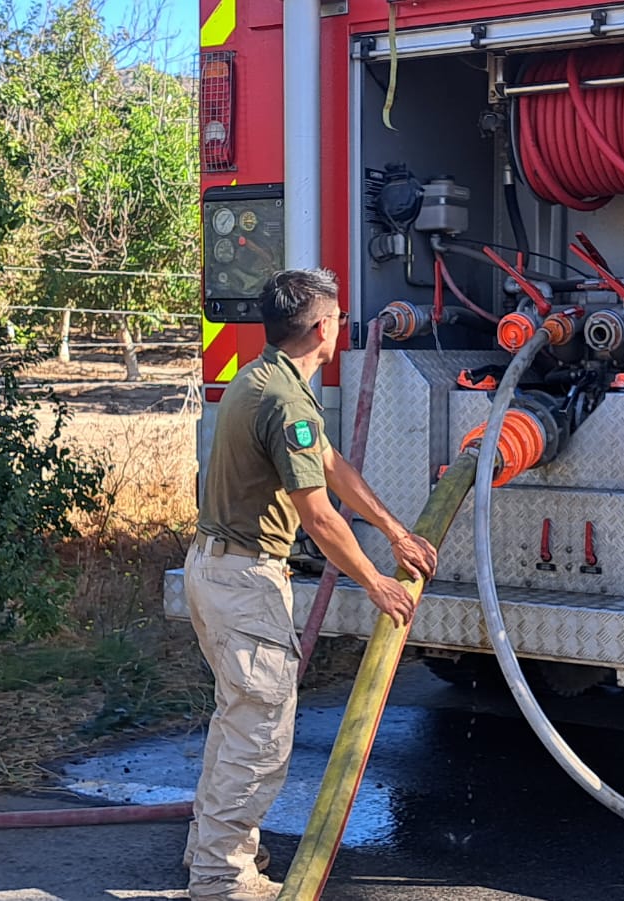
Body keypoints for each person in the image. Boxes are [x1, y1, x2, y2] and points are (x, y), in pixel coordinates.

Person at [182, 268, 438, 901]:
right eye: (340, 318)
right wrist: (377, 581)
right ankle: (220, 879)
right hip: (243, 579)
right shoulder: (285, 399)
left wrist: (395, 529)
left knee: (238, 718)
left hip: (218, 570)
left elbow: (330, 463)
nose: (343, 328)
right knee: (260, 732)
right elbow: (319, 513)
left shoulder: (265, 377)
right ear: (324, 328)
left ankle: (212, 852)